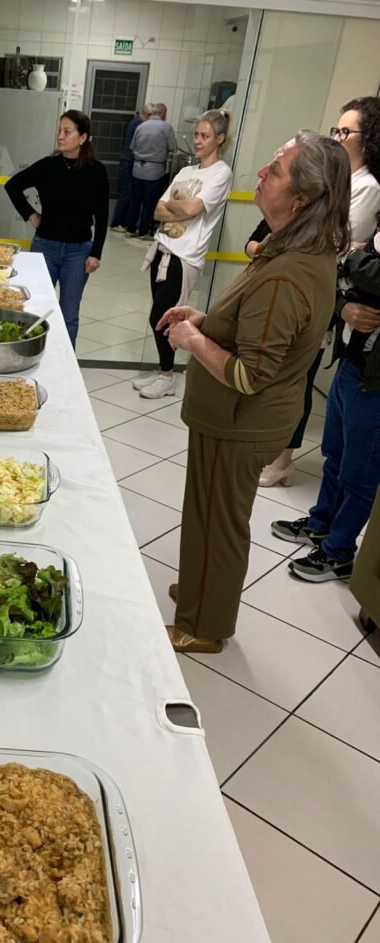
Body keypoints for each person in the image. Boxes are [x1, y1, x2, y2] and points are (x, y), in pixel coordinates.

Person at [155, 131, 350, 653]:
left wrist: (193, 340)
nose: (262, 173)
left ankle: (205, 625)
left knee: (219, 524)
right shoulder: (290, 250)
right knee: (206, 513)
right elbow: (253, 330)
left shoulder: (288, 273)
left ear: (301, 199)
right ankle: (199, 591)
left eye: (276, 170)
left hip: (240, 421)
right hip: (228, 419)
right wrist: (205, 320)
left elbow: (249, 375)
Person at [258, 96, 380, 486]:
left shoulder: (366, 187)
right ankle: (274, 451)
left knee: (296, 376)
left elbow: (335, 244)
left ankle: (282, 458)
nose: (338, 137)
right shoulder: (335, 179)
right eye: (335, 130)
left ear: (368, 138)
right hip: (314, 280)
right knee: (283, 372)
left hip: (325, 290)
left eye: (346, 131)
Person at [271, 219, 380, 582]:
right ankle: (321, 526)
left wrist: (351, 256)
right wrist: (344, 306)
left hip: (375, 380)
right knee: (334, 453)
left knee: (360, 473)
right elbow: (337, 280)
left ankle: (338, 553)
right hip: (352, 361)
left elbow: (363, 270)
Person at [132, 110, 232, 400]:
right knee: (160, 314)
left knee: (162, 316)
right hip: (162, 247)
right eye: (196, 135)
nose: (198, 141)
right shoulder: (185, 172)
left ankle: (167, 376)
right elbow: (157, 209)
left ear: (219, 139)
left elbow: (192, 209)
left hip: (184, 255)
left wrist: (179, 207)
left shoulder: (221, 173)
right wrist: (183, 208)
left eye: (205, 136)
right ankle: (163, 369)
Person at [4, 109, 109, 347]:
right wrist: (31, 215)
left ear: (82, 137)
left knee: (69, 313)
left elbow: (103, 216)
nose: (60, 136)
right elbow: (12, 185)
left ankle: (65, 359)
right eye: (59, 130)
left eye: (67, 131)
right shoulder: (48, 166)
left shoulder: (96, 171)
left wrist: (96, 253)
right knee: (36, 306)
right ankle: (32, 353)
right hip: (45, 248)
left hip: (78, 252)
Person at [125, 103, 177, 239]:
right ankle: (143, 231)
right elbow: (173, 147)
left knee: (135, 201)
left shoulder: (140, 126)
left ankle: (130, 229)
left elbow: (132, 147)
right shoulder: (166, 127)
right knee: (149, 203)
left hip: (137, 169)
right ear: (164, 113)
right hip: (155, 171)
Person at [110, 108, 144, 232]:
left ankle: (121, 222)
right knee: (126, 193)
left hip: (128, 161)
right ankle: (116, 223)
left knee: (127, 193)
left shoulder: (136, 122)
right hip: (128, 161)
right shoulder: (138, 124)